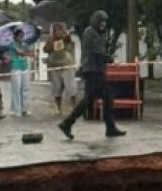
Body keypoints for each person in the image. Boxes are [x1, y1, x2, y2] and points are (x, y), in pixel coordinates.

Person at [58, 10, 126, 140]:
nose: (103, 24)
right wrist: (111, 60)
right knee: (91, 100)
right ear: (96, 21)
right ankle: (67, 123)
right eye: (101, 21)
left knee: (104, 98)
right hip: (92, 71)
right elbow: (98, 51)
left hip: (96, 70)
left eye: (105, 21)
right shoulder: (90, 32)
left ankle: (109, 127)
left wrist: (108, 59)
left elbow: (100, 52)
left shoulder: (96, 33)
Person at [43, 23, 78, 115]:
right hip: (54, 65)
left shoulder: (66, 38)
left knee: (71, 87)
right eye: (56, 30)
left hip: (67, 64)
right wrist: (51, 41)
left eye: (60, 30)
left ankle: (74, 107)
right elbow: (45, 49)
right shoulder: (50, 40)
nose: (58, 32)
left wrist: (67, 33)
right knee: (57, 88)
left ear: (63, 30)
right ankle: (59, 109)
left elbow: (69, 39)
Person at [7, 28, 34, 117]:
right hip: (16, 67)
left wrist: (28, 52)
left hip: (24, 67)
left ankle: (24, 109)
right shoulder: (12, 44)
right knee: (16, 89)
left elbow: (32, 53)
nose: (22, 37)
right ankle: (16, 110)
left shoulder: (25, 44)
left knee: (25, 88)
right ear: (15, 37)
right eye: (20, 36)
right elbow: (20, 52)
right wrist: (27, 53)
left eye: (23, 36)